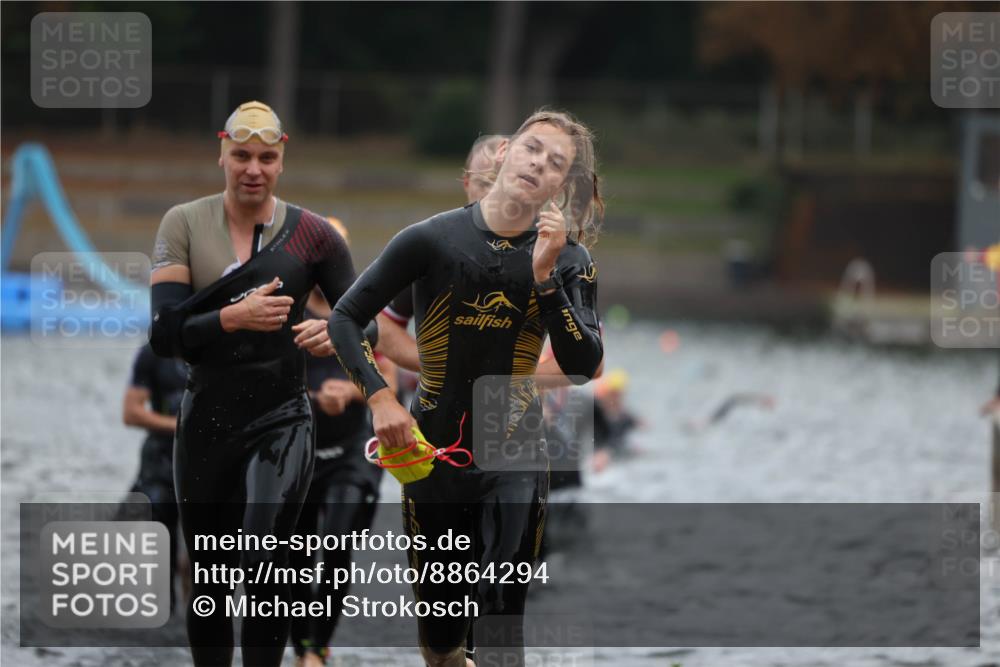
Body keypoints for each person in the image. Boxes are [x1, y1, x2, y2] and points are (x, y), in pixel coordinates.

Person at [329, 109, 605, 667]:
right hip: (431, 447)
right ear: (505, 154)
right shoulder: (430, 240)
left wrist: (546, 278)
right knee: (442, 638)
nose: (539, 165)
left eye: (556, 164)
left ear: (561, 185)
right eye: (532, 148)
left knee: (502, 619)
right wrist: (381, 398)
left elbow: (584, 363)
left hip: (514, 443)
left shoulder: (571, 259)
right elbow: (345, 318)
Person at [149, 101, 372, 667]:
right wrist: (233, 317)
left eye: (266, 158)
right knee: (209, 577)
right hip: (206, 419)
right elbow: (165, 333)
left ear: (281, 160)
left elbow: (361, 316)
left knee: (266, 559)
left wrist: (332, 330)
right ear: (221, 152)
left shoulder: (314, 236)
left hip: (281, 419)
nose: (253, 168)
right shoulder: (182, 223)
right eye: (242, 155)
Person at [289, 218, 398, 667]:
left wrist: (350, 391)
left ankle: (317, 648)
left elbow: (390, 378)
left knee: (336, 544)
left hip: (354, 447)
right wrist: (314, 397)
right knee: (291, 557)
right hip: (300, 447)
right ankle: (302, 648)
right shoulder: (286, 310)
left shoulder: (362, 312)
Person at [121, 343, 188, 612]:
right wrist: (183, 426)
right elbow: (131, 413)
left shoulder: (224, 348)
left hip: (209, 463)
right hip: (160, 461)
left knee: (201, 560)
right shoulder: (154, 353)